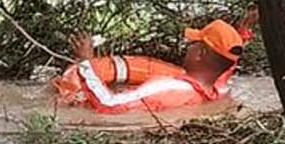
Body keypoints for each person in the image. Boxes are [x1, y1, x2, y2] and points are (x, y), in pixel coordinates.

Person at [51, 7, 258, 114]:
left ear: (200, 53)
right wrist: (244, 32)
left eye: (194, 43)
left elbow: (109, 106)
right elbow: (228, 63)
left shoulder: (167, 88)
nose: (189, 46)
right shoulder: (218, 89)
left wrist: (86, 62)